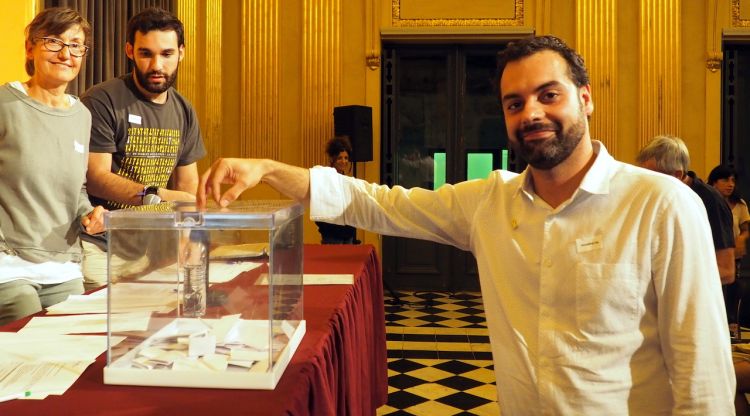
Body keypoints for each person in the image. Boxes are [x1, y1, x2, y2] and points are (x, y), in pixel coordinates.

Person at [197, 35, 735, 414]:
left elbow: (703, 372)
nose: (531, 113)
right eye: (514, 102)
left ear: (586, 99)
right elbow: (378, 203)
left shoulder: (662, 205)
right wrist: (268, 169)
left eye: (549, 95)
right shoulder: (491, 202)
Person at [80, 7, 206, 289]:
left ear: (181, 52)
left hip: (156, 250)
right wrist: (156, 196)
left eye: (167, 54)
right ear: (129, 51)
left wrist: (190, 241)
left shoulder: (184, 110)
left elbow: (188, 187)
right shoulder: (102, 100)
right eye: (146, 53)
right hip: (101, 247)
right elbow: (96, 178)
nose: (157, 65)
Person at [0, 7, 105, 325]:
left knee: (71, 353)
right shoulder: (5, 104)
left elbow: (77, 190)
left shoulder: (81, 116)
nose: (65, 53)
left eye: (75, 45)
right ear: (30, 47)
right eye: (53, 41)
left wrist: (90, 213)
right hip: (8, 266)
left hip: (64, 266)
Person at [636, 136, 736, 284]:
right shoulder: (659, 198)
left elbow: (726, 271)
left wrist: (670, 283)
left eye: (652, 176)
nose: (644, 182)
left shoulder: (710, 201)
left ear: (677, 175)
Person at [315, 136, 359, 244]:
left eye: (346, 158)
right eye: (340, 158)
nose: (344, 161)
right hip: (332, 235)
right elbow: (319, 207)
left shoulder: (347, 181)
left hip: (347, 234)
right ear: (332, 159)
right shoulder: (324, 179)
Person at [709, 165, 750, 266]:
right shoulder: (706, 202)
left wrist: (741, 239)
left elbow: (745, 230)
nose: (731, 184)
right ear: (714, 182)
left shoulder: (740, 204)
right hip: (711, 255)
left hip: (733, 257)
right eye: (725, 180)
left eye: (733, 181)